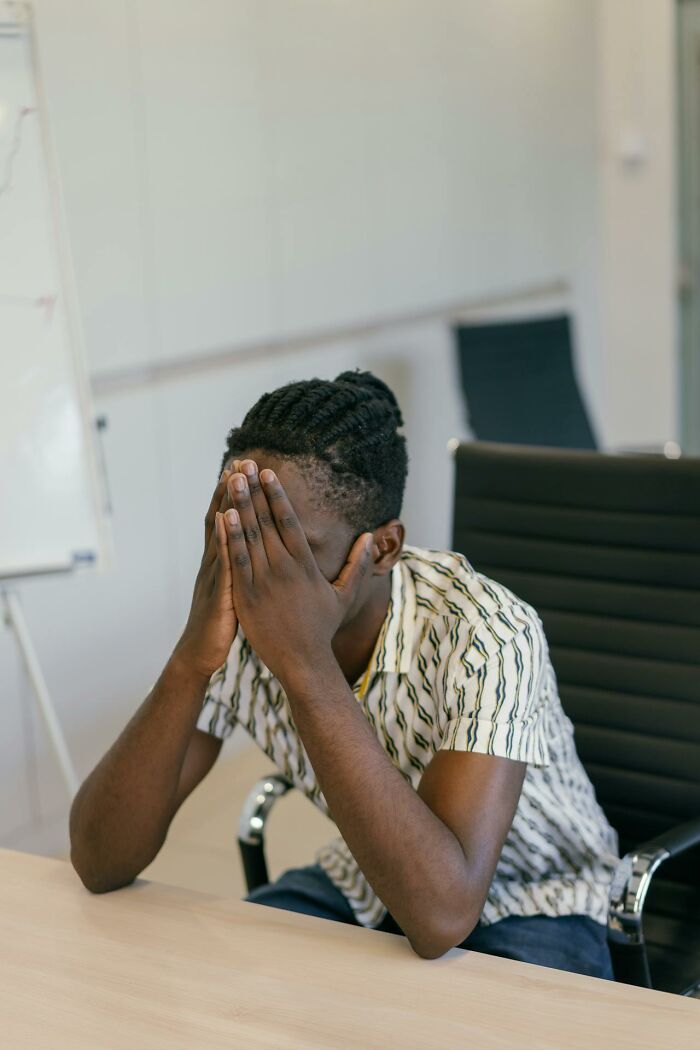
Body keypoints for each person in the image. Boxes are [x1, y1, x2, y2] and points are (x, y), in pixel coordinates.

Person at [69, 369, 619, 975]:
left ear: (381, 549)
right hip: (367, 879)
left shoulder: (486, 630)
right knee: (216, 992)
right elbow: (99, 860)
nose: (257, 568)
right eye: (240, 533)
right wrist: (190, 661)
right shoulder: (235, 630)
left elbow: (441, 916)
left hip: (540, 900)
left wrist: (305, 664)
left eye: (288, 545)